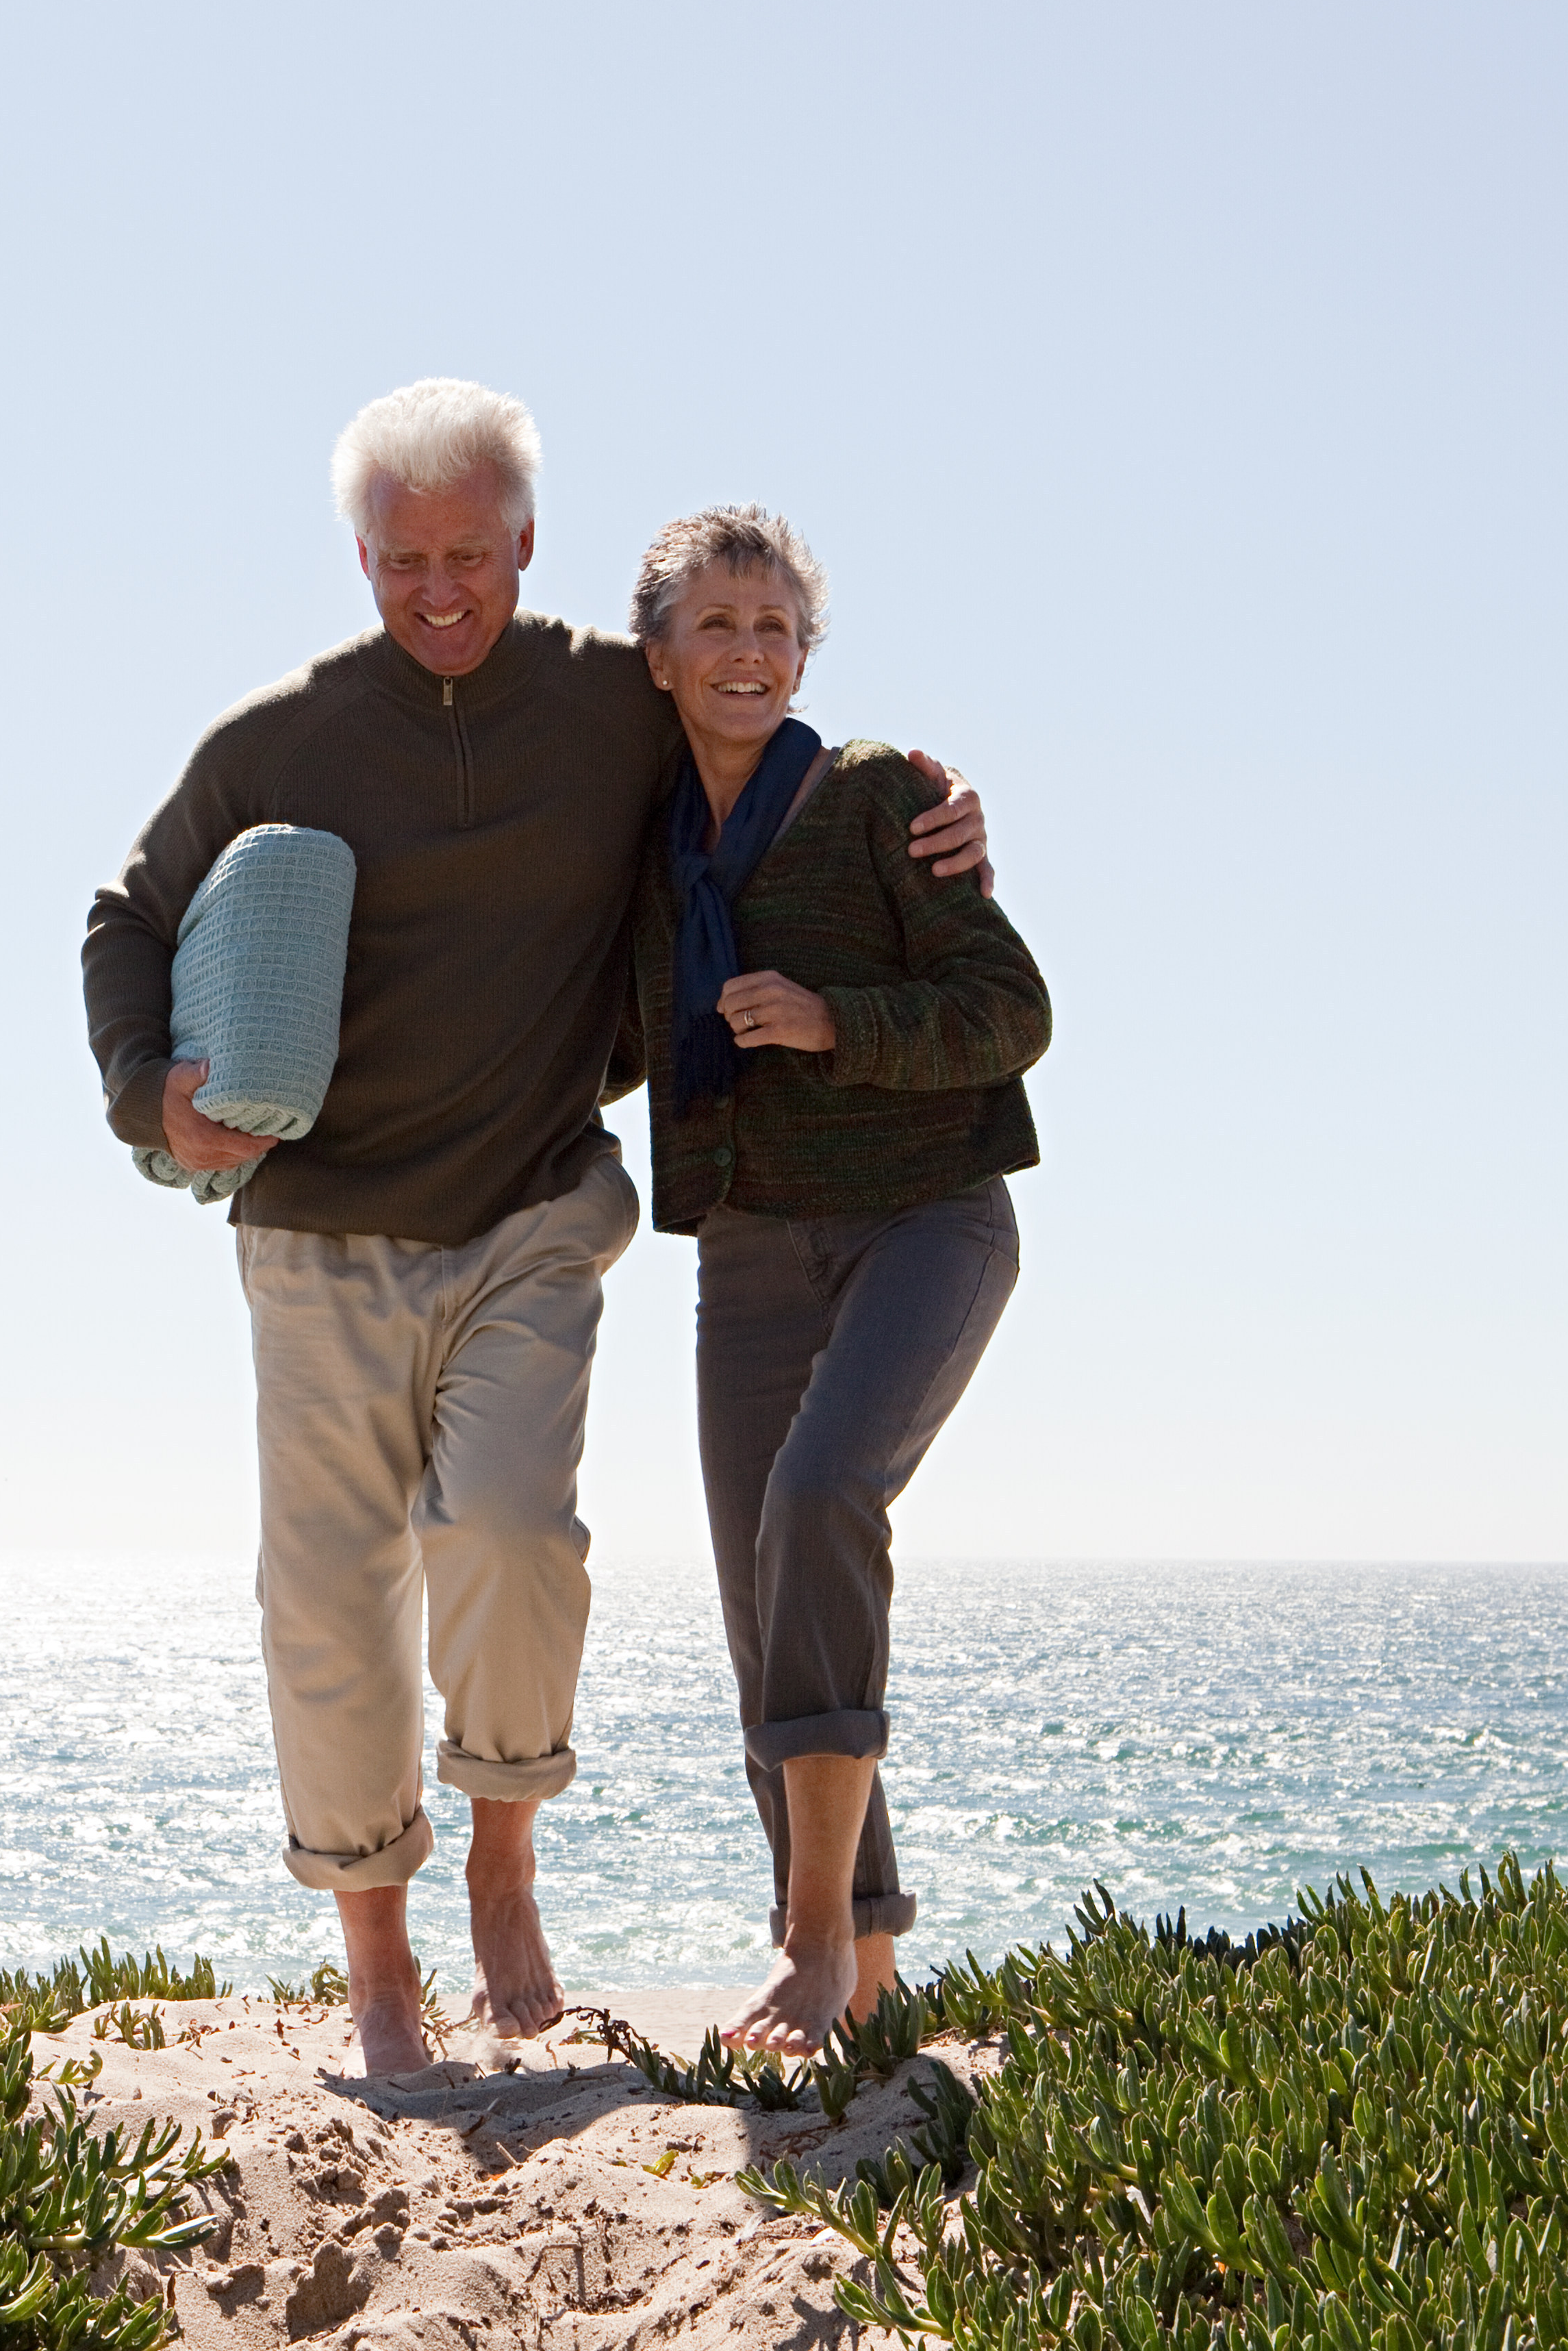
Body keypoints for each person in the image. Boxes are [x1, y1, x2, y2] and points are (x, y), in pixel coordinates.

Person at [81, 384, 991, 2073]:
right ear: (363, 555)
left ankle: (504, 1868)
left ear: (524, 546)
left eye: (472, 557)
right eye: (406, 560)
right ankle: (375, 1952)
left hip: (529, 1213)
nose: (441, 591)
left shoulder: (605, 698)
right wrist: (155, 1088)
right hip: (320, 1233)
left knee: (508, 1537)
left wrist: (929, 807)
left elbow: (758, 733)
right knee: (332, 1599)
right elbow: (128, 915)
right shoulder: (280, 736)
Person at [622, 505, 1050, 2055]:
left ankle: (807, 1944)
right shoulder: (647, 848)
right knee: (760, 1599)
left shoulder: (880, 795)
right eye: (717, 625)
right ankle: (868, 1986)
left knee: (819, 1504)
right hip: (747, 1248)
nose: (749, 652)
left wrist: (828, 1019)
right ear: (657, 655)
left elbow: (1014, 1009)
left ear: (806, 651)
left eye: (775, 626)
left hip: (927, 1216)